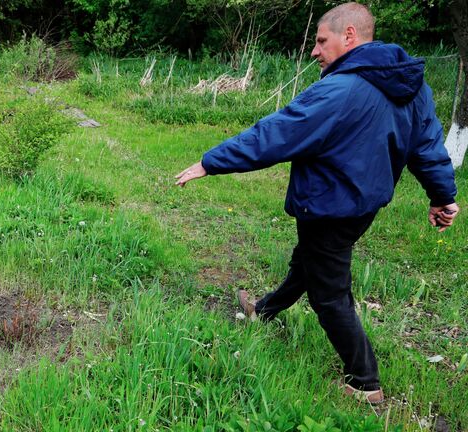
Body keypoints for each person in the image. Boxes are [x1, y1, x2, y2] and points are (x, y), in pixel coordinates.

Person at [174, 2, 459, 404]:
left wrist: (210, 162)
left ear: (349, 37)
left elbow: (276, 133)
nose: (314, 51)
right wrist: (442, 196)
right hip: (362, 206)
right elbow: (428, 145)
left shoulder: (339, 90)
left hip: (329, 206)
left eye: (321, 41)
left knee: (329, 294)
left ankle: (365, 382)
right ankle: (264, 310)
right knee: (309, 261)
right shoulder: (409, 85)